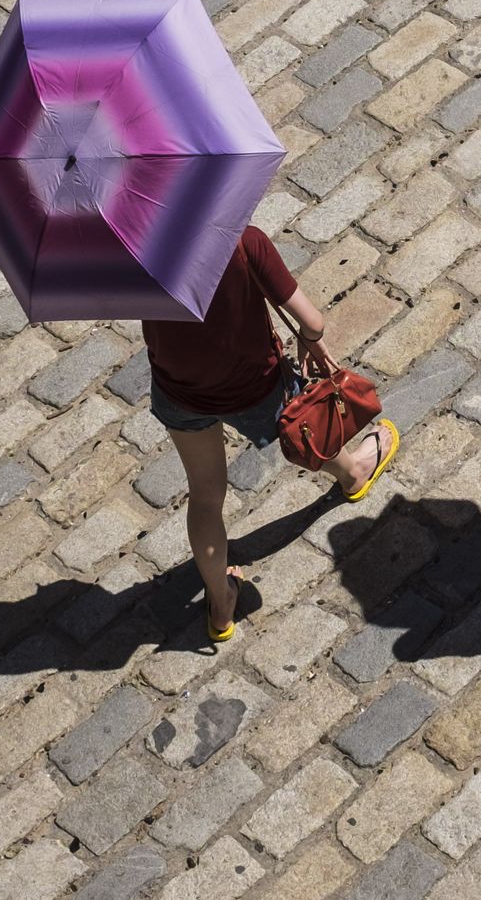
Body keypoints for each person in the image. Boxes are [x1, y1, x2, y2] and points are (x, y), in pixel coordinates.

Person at [144, 225, 398, 641]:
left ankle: (220, 601)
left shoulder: (138, 263)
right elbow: (311, 319)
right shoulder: (242, 240)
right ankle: (352, 474)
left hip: (179, 394)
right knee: (306, 430)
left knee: (206, 496)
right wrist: (309, 338)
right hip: (255, 388)